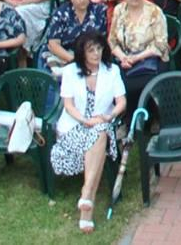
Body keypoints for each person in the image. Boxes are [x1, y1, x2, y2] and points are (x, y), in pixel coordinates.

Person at [52, 32, 126, 233]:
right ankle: (87, 198)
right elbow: (68, 105)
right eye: (91, 50)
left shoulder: (112, 71)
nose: (96, 54)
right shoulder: (69, 71)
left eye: (99, 49)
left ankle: (87, 197)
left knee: (100, 132)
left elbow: (121, 102)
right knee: (98, 138)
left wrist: (110, 116)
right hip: (74, 125)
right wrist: (84, 120)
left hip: (102, 122)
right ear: (82, 53)